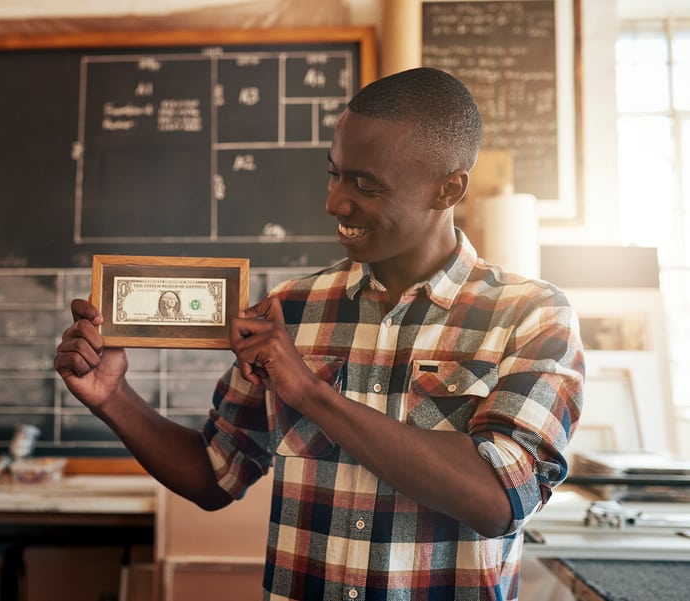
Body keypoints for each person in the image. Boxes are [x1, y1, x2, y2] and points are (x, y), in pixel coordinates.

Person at [55, 67, 584, 600]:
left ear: (448, 189)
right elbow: (215, 474)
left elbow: (498, 499)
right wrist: (113, 398)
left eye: (365, 185)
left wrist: (310, 392)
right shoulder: (290, 310)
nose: (334, 202)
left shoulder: (532, 317)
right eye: (334, 174)